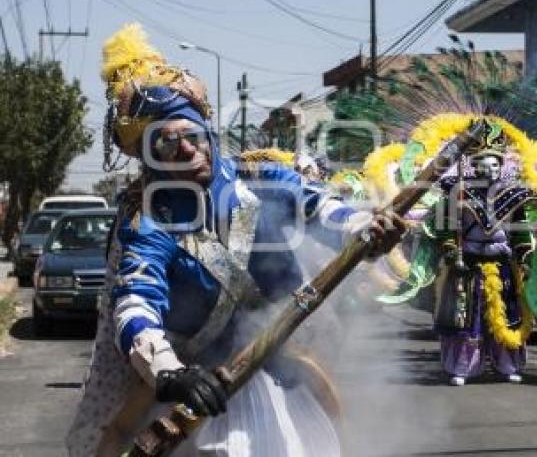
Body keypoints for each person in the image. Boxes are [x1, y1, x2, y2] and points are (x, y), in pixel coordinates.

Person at [65, 24, 406, 456]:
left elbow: (320, 207)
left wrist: (365, 228)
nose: (188, 150)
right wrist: (170, 375)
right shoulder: (149, 222)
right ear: (150, 155)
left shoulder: (260, 177)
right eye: (168, 145)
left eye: (193, 136)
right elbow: (135, 302)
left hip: (273, 367)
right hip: (194, 390)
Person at [429, 121, 537, 386]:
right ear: (474, 165)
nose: (489, 170)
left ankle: (506, 365)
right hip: (469, 265)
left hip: (501, 264)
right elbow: (445, 227)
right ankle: (464, 367)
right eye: (483, 164)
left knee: (506, 317)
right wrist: (450, 249)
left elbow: (520, 230)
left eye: (494, 164)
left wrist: (524, 256)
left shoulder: (513, 195)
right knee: (468, 319)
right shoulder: (458, 192)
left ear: (501, 166)